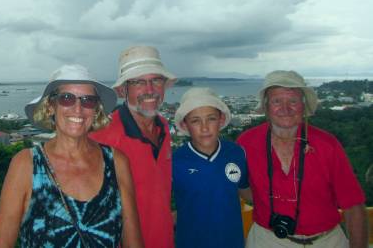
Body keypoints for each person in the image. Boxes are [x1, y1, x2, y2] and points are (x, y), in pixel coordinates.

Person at [0, 64, 143, 248]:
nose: (78, 109)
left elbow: (134, 243)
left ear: (96, 109)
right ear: (51, 106)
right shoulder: (26, 165)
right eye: (67, 98)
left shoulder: (116, 162)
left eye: (88, 100)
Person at [237, 70, 368, 248]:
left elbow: (354, 207)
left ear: (303, 106)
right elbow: (241, 188)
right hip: (267, 239)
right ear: (266, 106)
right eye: (277, 101)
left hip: (327, 241)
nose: (285, 108)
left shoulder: (327, 144)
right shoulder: (246, 143)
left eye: (293, 101)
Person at [90, 46, 176, 248]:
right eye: (138, 82)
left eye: (156, 80)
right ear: (122, 90)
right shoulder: (103, 137)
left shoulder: (163, 126)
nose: (150, 90)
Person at [172, 87, 252, 248]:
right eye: (195, 120)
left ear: (221, 120)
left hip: (233, 242)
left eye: (211, 119)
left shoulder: (236, 153)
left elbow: (245, 190)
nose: (204, 127)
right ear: (185, 125)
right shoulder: (175, 161)